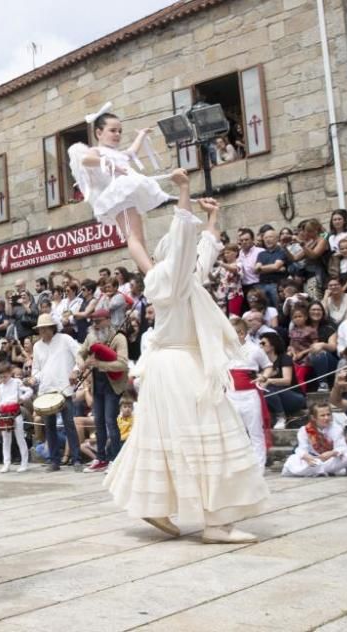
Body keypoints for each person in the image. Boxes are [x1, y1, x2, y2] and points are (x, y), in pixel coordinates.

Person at [104, 169, 268, 544]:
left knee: (166, 437)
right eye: (183, 252)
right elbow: (180, 244)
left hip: (173, 366)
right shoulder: (169, 279)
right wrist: (183, 190)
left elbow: (188, 248)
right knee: (208, 435)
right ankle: (215, 522)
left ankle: (157, 504)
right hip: (180, 367)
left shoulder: (182, 279)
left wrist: (211, 218)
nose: (190, 253)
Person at [68, 107, 169, 271]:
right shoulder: (97, 151)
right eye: (112, 130)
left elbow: (132, 152)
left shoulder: (117, 153)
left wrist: (142, 135)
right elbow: (86, 160)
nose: (117, 134)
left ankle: (149, 271)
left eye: (120, 131)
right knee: (133, 236)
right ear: (99, 133)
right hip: (117, 197)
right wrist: (108, 163)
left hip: (126, 196)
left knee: (139, 236)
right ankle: (151, 273)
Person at [28, 313, 84, 472]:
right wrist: (34, 380)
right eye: (40, 329)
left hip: (63, 389)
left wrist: (76, 371)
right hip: (45, 391)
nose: (43, 332)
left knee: (69, 425)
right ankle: (54, 461)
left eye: (45, 329)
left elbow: (80, 355)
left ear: (52, 328)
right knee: (49, 427)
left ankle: (77, 459)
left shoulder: (65, 339)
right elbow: (36, 370)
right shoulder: (37, 346)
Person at [80, 308, 130, 472]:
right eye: (94, 322)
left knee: (110, 421)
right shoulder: (91, 336)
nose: (96, 325)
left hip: (113, 384)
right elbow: (80, 353)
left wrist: (99, 365)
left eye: (99, 322)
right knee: (99, 422)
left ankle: (116, 459)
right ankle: (101, 459)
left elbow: (122, 364)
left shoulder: (119, 338)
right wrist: (81, 363)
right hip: (97, 384)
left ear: (108, 320)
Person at [227, 316, 271, 472]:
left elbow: (267, 366)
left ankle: (259, 467)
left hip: (250, 395)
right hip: (231, 395)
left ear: (241, 333)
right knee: (233, 432)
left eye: (234, 333)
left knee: (255, 432)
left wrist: (264, 376)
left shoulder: (255, 349)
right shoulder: (223, 349)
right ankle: (237, 466)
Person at [283, 403, 347, 477]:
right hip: (313, 460)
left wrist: (331, 453)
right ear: (313, 418)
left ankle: (314, 471)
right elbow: (301, 449)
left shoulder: (336, 429)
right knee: (292, 459)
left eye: (328, 414)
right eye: (322, 415)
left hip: (331, 459)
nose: (326, 418)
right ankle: (324, 470)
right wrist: (306, 457)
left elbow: (343, 448)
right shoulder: (304, 430)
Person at [258, 332, 306, 429]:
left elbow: (287, 380)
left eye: (263, 343)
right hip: (274, 397)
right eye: (259, 344)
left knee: (268, 388)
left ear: (272, 345)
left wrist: (269, 380)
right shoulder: (262, 362)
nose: (260, 346)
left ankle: (281, 417)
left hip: (294, 397)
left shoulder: (284, 358)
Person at [255, 228, 287, 307]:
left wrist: (262, 268)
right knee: (265, 309)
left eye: (270, 237)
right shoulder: (261, 254)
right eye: (266, 238)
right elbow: (256, 269)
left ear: (277, 239)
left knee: (278, 308)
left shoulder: (282, 252)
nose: (268, 240)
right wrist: (274, 268)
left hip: (276, 285)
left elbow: (276, 266)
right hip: (262, 285)